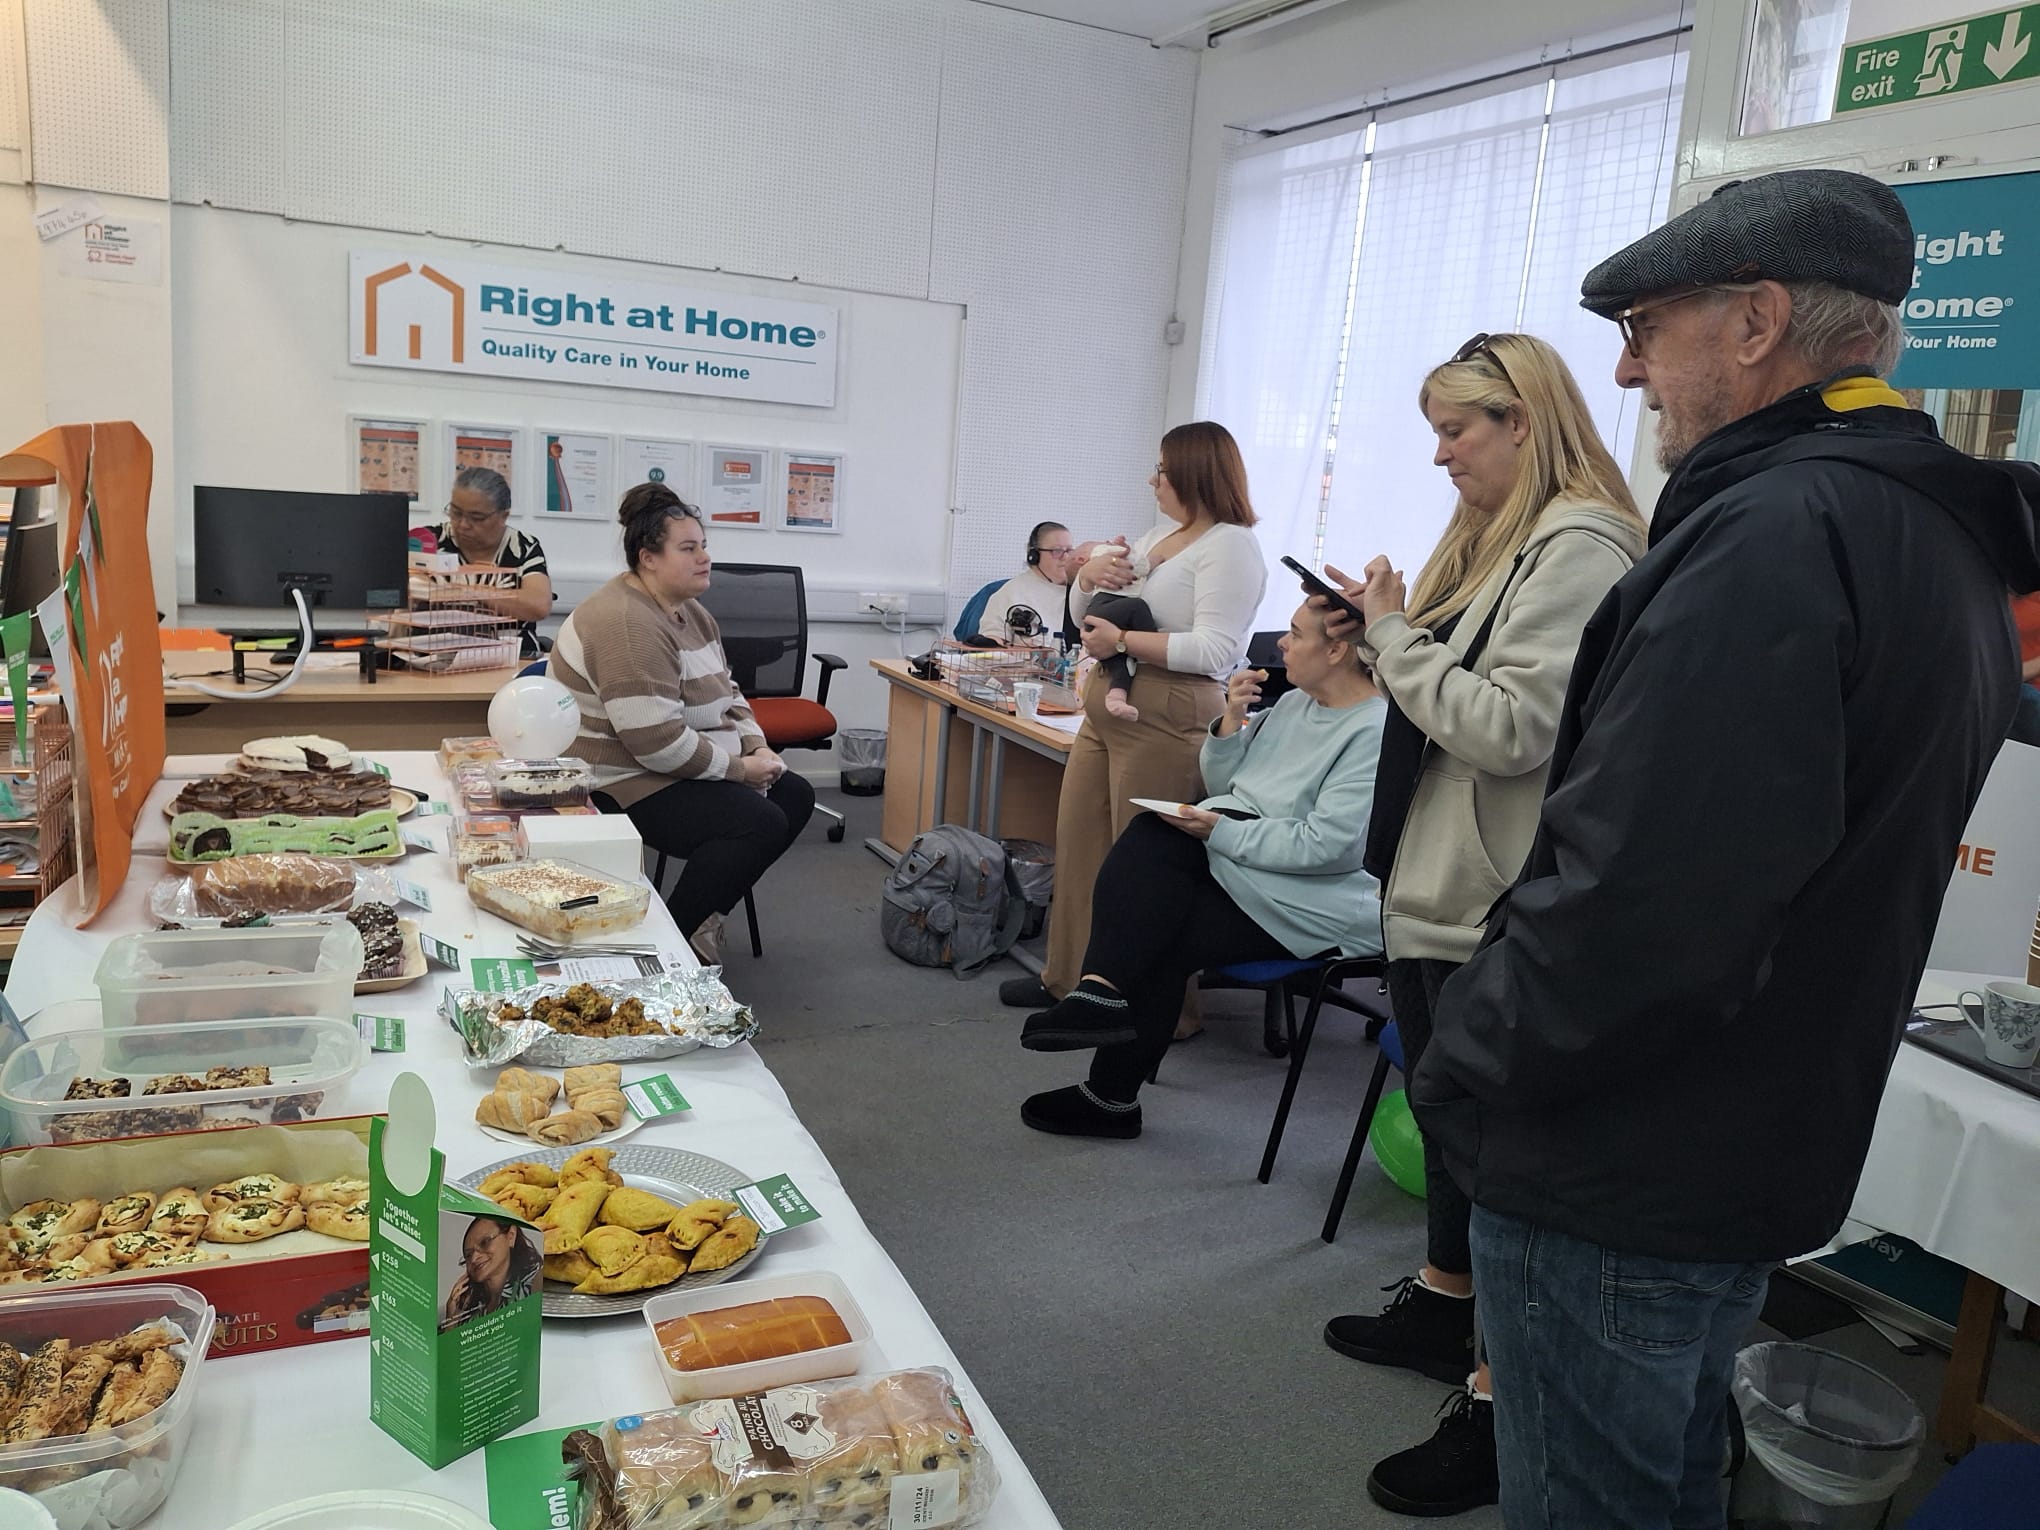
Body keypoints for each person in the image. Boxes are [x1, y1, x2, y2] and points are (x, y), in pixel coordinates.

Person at [1406, 169, 2040, 1529]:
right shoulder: (1931, 530)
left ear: (1754, 322)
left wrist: (1468, 1065)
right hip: (1748, 1136)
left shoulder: (1775, 535)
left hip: (1623, 1158)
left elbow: (1645, 905)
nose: (1627, 368)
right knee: (1669, 1475)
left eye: (1646, 325)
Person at [1313, 333, 1647, 1519]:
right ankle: (1446, 1305)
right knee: (1451, 1126)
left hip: (1490, 898)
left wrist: (1394, 636)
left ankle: (1503, 1405)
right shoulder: (1500, 538)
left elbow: (1510, 731)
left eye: (1459, 428)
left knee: (1497, 1155)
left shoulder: (1582, 543)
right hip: (1439, 883)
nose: (1440, 452)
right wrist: (1386, 628)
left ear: (1526, 421)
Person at [1016, 600, 1385, 1136]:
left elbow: (1328, 849)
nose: (1280, 642)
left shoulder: (1372, 731)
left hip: (1311, 901)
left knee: (1160, 910)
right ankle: (1104, 1053)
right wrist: (1231, 724)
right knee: (1157, 891)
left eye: (1296, 635)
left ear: (1336, 650)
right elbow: (1225, 786)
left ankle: (1104, 1053)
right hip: (1252, 870)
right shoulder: (1296, 706)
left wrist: (1222, 831)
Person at [1000, 422, 1267, 1025]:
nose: (1153, 480)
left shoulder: (1230, 546)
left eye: (1164, 470)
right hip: (1107, 708)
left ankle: (1155, 1012)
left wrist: (1124, 638)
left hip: (1168, 711)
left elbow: (1216, 651)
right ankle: (1069, 981)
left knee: (1142, 868)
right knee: (1082, 845)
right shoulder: (1162, 536)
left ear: (1197, 474)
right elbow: (1088, 622)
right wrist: (1084, 583)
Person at [553, 483, 816, 963]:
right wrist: (740, 771)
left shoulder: (689, 611)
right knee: (758, 823)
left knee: (795, 794)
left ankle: (703, 918)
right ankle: (668, 948)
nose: (705, 558)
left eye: (704, 546)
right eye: (688, 548)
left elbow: (728, 691)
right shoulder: (627, 624)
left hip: (666, 763)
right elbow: (654, 744)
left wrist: (757, 748)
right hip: (622, 779)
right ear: (648, 557)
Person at [430, 465, 553, 653]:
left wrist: (469, 591)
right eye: (456, 512)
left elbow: (538, 605)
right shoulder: (429, 541)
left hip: (513, 659)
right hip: (433, 659)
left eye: (476, 518)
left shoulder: (523, 547)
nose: (463, 525)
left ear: (503, 516)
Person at [979, 522, 1090, 644]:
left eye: (1069, 550)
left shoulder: (1081, 591)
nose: (1065, 557)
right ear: (1034, 555)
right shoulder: (1011, 593)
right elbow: (992, 639)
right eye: (1057, 551)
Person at [440, 1214, 540, 1330]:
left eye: (485, 1242)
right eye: (468, 1254)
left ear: (511, 1236)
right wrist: (451, 1319)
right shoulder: (468, 1306)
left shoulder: (534, 1281)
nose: (474, 1258)